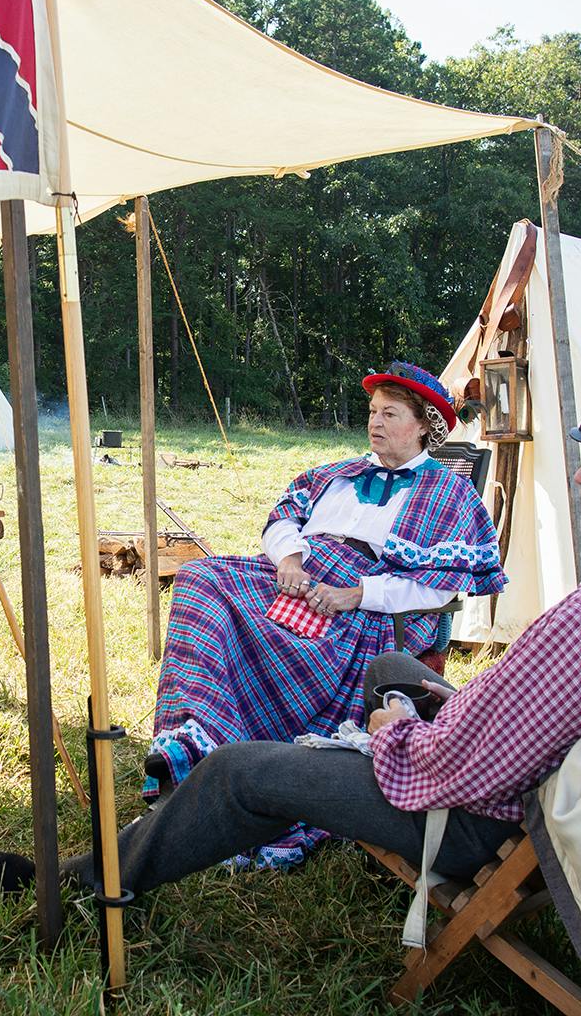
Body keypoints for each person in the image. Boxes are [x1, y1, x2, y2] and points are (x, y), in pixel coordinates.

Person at [0, 397, 581, 910]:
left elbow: (456, 767)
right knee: (394, 669)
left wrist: (388, 726)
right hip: (539, 785)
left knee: (243, 771)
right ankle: (231, 741)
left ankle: (81, 882)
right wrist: (415, 694)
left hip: (467, 818)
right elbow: (516, 722)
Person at [146, 362, 507, 867]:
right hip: (301, 572)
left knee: (297, 641)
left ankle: (260, 782)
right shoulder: (338, 473)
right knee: (201, 580)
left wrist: (355, 593)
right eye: (372, 412)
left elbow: (442, 583)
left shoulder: (449, 494)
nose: (375, 423)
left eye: (391, 413)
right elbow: (282, 518)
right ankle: (189, 745)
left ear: (424, 424)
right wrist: (290, 559)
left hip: (364, 601)